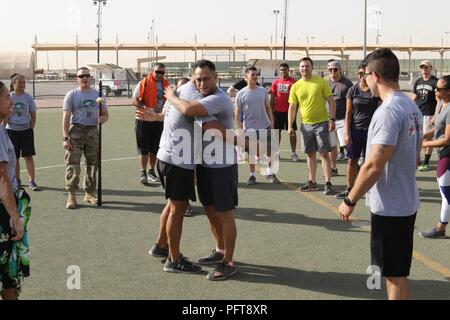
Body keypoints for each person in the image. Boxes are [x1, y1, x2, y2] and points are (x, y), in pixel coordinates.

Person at [339, 48, 422, 300]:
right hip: (405, 200)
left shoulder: (388, 111)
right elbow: (416, 157)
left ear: (375, 76)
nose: (363, 82)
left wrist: (349, 199)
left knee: (393, 275)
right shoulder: (410, 105)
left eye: (364, 75)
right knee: (398, 273)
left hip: (391, 207)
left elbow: (373, 165)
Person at [165, 59, 239, 280]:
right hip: (204, 163)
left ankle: (229, 262)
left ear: (217, 77)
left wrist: (171, 97)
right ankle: (220, 251)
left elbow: (187, 109)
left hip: (222, 165)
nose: (202, 83)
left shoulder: (219, 99)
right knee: (209, 210)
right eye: (198, 79)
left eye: (206, 78)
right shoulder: (199, 94)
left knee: (225, 214)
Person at [288, 57, 337, 195]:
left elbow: (331, 102)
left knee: (324, 153)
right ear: (299, 68)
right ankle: (312, 182)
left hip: (322, 123)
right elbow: (292, 107)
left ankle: (328, 183)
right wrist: (290, 125)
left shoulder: (320, 82)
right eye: (302, 66)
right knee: (310, 154)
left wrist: (332, 119)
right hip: (305, 125)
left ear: (312, 67)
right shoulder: (295, 86)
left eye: (307, 66)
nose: (304, 68)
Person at [62, 67, 109, 209]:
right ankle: (72, 195)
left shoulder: (98, 94)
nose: (84, 78)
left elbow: (106, 114)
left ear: (91, 78)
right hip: (76, 130)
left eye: (87, 75)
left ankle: (89, 193)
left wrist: (103, 119)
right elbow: (65, 118)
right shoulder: (72, 95)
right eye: (81, 76)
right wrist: (65, 138)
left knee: (92, 164)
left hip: (93, 132)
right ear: (77, 78)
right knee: (73, 164)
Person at [335, 62, 380, 199]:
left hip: (371, 132)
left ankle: (366, 188)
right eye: (360, 74)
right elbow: (348, 113)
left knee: (368, 162)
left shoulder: (375, 91)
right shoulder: (352, 90)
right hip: (355, 130)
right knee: (352, 160)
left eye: (364, 74)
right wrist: (346, 132)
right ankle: (349, 189)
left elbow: (381, 110)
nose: (362, 76)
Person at [0, 80, 25, 300]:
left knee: (8, 273)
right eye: (7, 96)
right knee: (8, 272)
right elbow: (2, 180)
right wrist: (15, 217)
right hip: (3, 211)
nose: (12, 100)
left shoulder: (2, 128)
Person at [419, 76, 450, 238]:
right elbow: (437, 129)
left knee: (446, 193)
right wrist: (422, 136)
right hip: (443, 154)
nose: (435, 91)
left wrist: (423, 145)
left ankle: (440, 228)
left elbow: (446, 139)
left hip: (447, 154)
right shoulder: (440, 104)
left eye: (439, 89)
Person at [235, 66, 277, 185]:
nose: (254, 76)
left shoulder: (262, 91)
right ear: (246, 77)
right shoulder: (241, 93)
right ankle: (252, 175)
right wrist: (240, 129)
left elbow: (268, 108)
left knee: (270, 150)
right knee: (252, 152)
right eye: (252, 74)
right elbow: (237, 113)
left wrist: (272, 123)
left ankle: (269, 172)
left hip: (265, 126)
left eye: (256, 74)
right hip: (249, 128)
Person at [132, 63, 169, 184]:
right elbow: (135, 100)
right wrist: (146, 107)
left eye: (162, 73)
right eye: (157, 72)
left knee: (155, 148)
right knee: (144, 147)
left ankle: (151, 171)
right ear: (153, 71)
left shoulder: (166, 85)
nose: (159, 75)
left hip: (158, 119)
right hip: (144, 119)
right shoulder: (144, 82)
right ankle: (143, 172)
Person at [6, 74, 40, 191]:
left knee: (28, 157)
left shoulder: (28, 98)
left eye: (24, 82)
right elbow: (4, 113)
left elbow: (33, 115)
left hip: (26, 131)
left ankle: (32, 181)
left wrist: (31, 128)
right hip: (11, 131)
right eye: (20, 82)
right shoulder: (9, 97)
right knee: (14, 158)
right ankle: (17, 180)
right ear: (13, 84)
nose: (22, 85)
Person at [326, 60, 354, 176]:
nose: (333, 71)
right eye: (330, 70)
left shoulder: (347, 84)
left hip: (343, 120)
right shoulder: (325, 83)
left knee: (346, 145)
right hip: (329, 120)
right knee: (332, 146)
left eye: (335, 69)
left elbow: (352, 101)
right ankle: (333, 168)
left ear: (340, 70)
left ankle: (354, 166)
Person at [270, 63, 299, 162]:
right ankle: (277, 153)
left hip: (289, 112)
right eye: (281, 70)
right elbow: (272, 98)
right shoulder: (275, 82)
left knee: (292, 132)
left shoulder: (293, 82)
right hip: (277, 112)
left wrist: (294, 112)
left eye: (285, 70)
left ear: (288, 70)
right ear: (279, 71)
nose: (283, 71)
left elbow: (296, 100)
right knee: (276, 133)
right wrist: (271, 113)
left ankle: (293, 153)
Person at [413, 60, 438, 171]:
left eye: (426, 67)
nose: (424, 69)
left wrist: (436, 114)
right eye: (422, 67)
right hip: (418, 113)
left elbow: (439, 100)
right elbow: (415, 97)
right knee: (416, 136)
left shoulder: (435, 82)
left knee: (427, 137)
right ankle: (417, 159)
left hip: (430, 113)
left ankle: (426, 162)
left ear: (430, 68)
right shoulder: (417, 82)